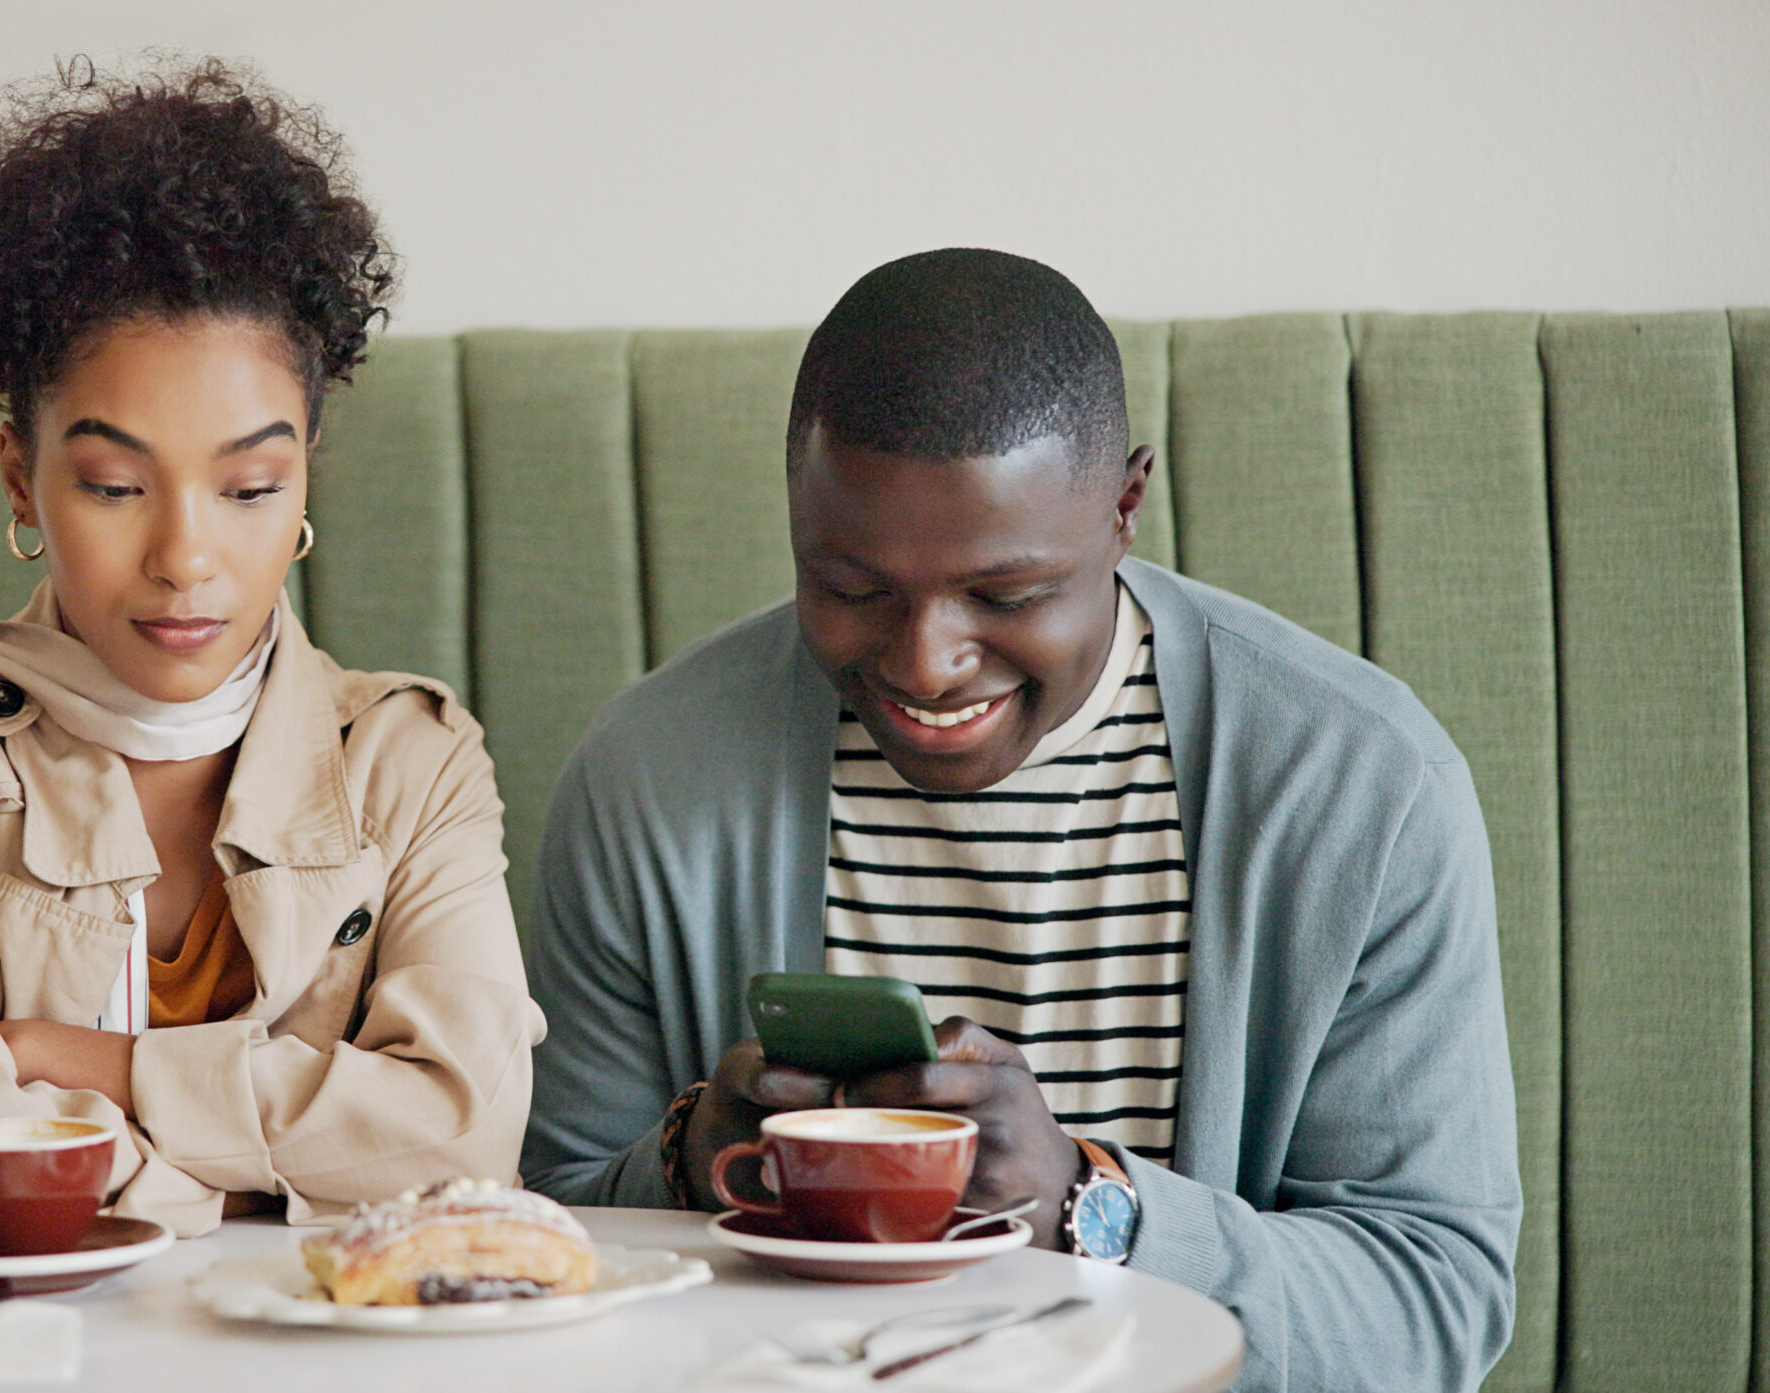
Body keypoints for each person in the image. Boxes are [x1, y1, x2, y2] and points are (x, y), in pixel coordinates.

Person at [522, 249, 1519, 1389]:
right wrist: (685, 1162)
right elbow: (539, 1233)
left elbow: (1431, 1303)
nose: (925, 663)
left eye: (1006, 595)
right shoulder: (651, 773)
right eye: (851, 590)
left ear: (1125, 507)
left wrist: (1089, 1205)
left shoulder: (1358, 785)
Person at [0, 59, 540, 1262]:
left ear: (306, 478)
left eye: (250, 486)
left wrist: (100, 1066)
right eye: (115, 485)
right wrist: (270, 1190)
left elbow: (463, 1136)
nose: (185, 558)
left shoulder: (412, 760)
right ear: (21, 477)